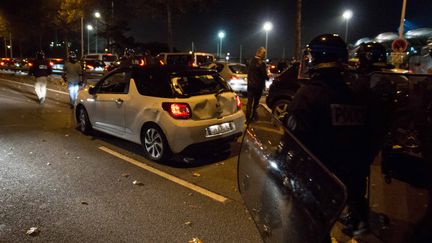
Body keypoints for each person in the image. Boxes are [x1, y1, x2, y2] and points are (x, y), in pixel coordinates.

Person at [285, 34, 372, 238]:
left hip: (316, 183)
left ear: (318, 59)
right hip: (347, 183)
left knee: (306, 232)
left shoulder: (308, 96)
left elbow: (293, 142)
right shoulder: (355, 94)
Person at [246, 47, 269, 122]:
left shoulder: (251, 61)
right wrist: (268, 76)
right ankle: (253, 117)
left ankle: (247, 118)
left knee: (249, 102)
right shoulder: (262, 63)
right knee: (256, 103)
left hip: (250, 85)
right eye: (264, 53)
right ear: (261, 53)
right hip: (258, 86)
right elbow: (264, 75)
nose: (265, 55)